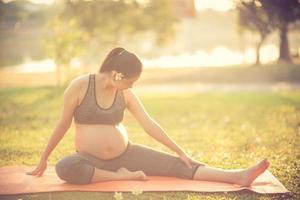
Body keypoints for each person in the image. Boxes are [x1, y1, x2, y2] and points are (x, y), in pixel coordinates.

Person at [27, 47, 269, 185]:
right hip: (92, 161)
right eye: (130, 82)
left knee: (178, 164)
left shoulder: (126, 95)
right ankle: (121, 177)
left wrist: (180, 150)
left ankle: (237, 176)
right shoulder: (80, 87)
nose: (132, 87)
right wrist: (43, 158)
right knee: (66, 167)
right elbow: (62, 124)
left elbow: (149, 124)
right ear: (117, 75)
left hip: (128, 153)